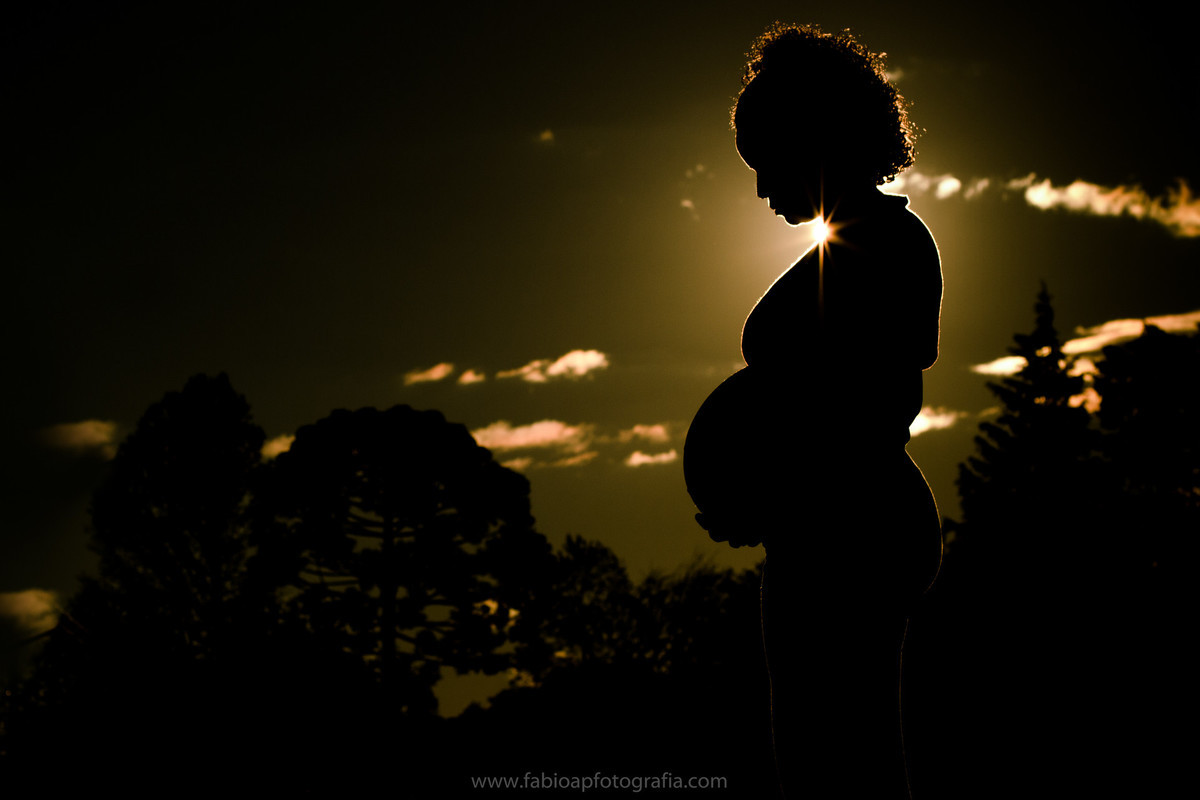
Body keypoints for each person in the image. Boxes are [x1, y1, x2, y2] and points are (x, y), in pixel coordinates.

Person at [683, 24, 943, 798]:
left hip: (850, 536)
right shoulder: (862, 244)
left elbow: (872, 404)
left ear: (817, 141)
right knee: (822, 755)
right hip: (824, 529)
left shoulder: (885, 249)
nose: (764, 192)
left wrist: (778, 490)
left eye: (769, 166)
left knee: (841, 764)